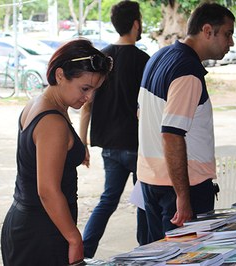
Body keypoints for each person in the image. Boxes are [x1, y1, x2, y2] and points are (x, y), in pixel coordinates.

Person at [0, 39, 112, 265]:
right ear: (60, 75)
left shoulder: (41, 103)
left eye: (94, 90)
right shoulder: (52, 121)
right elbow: (48, 191)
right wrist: (74, 238)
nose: (89, 97)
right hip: (41, 230)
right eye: (85, 88)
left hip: (30, 223)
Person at [137, 2, 235, 243]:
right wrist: (183, 196)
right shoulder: (187, 70)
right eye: (228, 34)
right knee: (187, 256)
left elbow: (141, 115)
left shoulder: (160, 56)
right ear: (207, 30)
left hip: (152, 181)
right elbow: (171, 134)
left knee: (160, 255)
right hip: (181, 186)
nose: (231, 43)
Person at [79, 0, 150, 258]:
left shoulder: (100, 59)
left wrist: (82, 143)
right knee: (145, 203)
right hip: (138, 147)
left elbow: (86, 106)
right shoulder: (146, 61)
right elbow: (148, 110)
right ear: (135, 24)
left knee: (107, 200)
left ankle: (84, 253)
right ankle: (147, 253)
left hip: (109, 145)